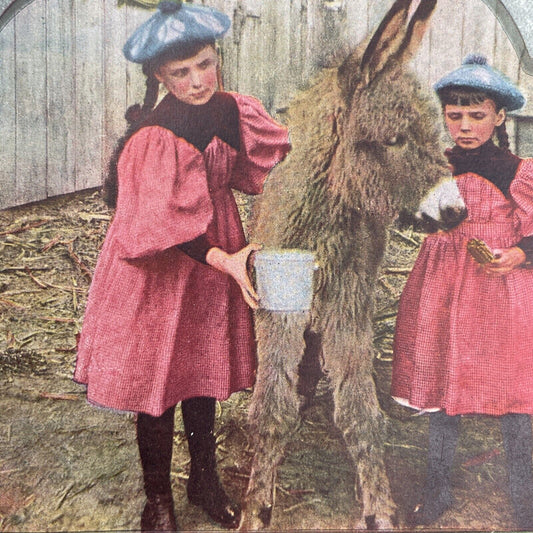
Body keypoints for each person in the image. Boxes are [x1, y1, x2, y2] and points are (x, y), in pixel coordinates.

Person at [73, 2, 290, 531]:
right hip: (157, 265)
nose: (197, 81)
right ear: (157, 76)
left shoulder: (236, 111)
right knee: (159, 381)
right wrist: (227, 260)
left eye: (205, 64)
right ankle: (158, 501)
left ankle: (204, 480)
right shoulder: (152, 136)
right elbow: (155, 227)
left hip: (218, 252)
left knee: (200, 370)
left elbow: (273, 168)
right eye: (180, 72)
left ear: (217, 56)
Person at [391, 54, 533, 529]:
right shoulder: (437, 167)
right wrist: (415, 208)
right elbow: (416, 219)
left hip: (501, 294)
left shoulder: (518, 171)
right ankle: (436, 491)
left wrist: (517, 253)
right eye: (455, 116)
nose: (466, 126)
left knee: (516, 395)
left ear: (499, 117)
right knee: (443, 385)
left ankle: (524, 501)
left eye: (477, 115)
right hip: (444, 288)